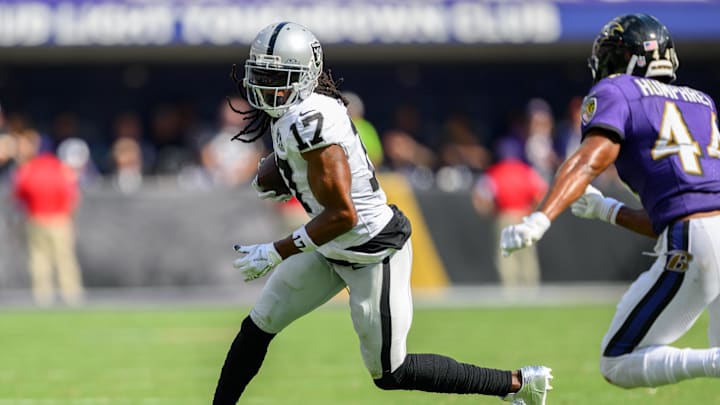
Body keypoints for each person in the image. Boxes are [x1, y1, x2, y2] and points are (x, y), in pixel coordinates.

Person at [213, 21, 552, 405]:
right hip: (330, 246)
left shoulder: (311, 121)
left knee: (391, 373)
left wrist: (277, 250)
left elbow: (345, 215)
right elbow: (306, 171)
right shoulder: (296, 111)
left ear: (305, 77)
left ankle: (518, 384)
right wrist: (277, 172)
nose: (268, 85)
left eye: (279, 75)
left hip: (371, 251)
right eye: (264, 73)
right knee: (259, 324)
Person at [500, 13, 720, 389]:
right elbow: (679, 210)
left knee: (617, 360)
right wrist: (607, 209)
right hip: (701, 226)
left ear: (629, 58)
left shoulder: (619, 90)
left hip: (696, 236)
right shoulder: (702, 102)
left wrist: (541, 218)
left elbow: (589, 159)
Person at [13, 128, 84, 306]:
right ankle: (71, 295)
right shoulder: (60, 168)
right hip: (58, 219)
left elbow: (20, 194)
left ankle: (42, 296)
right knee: (63, 258)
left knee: (40, 259)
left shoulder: (29, 169)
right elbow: (72, 194)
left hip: (37, 218)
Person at [472, 144, 547, 289]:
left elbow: (479, 198)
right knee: (527, 255)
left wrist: (490, 212)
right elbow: (541, 194)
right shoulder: (526, 171)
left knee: (506, 255)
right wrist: (532, 211)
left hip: (504, 216)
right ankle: (531, 290)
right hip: (525, 216)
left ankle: (510, 291)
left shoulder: (495, 172)